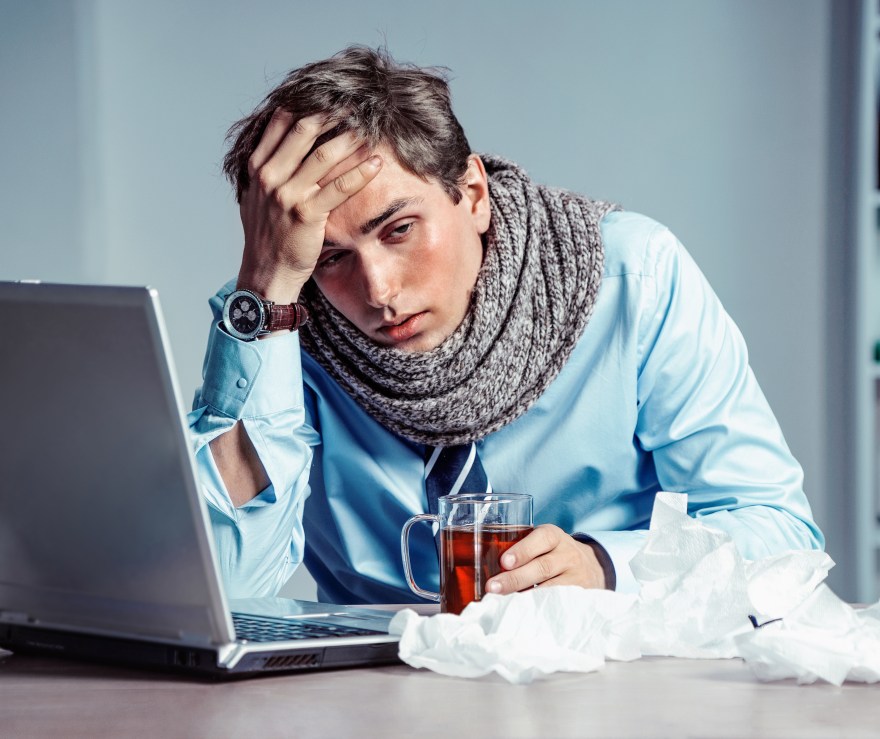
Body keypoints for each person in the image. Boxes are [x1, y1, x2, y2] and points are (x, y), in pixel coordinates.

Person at [189, 45, 824, 605]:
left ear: (472, 193)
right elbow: (227, 584)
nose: (379, 292)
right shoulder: (276, 325)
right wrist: (266, 297)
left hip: (611, 678)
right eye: (330, 257)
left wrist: (606, 566)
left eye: (400, 229)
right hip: (377, 694)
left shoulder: (633, 280)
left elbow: (778, 535)